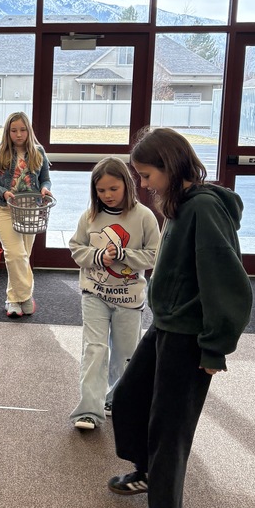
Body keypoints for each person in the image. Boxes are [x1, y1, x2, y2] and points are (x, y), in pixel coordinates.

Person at [108, 127, 252, 508]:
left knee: (170, 428)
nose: (143, 185)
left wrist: (214, 346)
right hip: (166, 326)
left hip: (191, 338)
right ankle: (148, 471)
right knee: (129, 399)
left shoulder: (204, 209)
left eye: (147, 175)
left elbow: (227, 283)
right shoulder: (181, 204)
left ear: (170, 167)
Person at [68, 156, 159, 431]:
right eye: (101, 190)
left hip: (129, 300)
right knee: (94, 350)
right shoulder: (90, 217)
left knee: (125, 355)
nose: (107, 195)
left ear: (128, 185)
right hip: (94, 294)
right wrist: (97, 256)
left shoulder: (143, 216)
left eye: (113, 189)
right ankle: (88, 411)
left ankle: (113, 399)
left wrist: (124, 255)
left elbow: (154, 256)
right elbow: (76, 249)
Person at [0, 112, 53, 317]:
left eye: (22, 130)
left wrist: (45, 189)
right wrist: (2, 191)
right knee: (15, 254)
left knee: (22, 257)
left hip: (30, 210)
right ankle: (27, 297)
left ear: (28, 131)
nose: (19, 134)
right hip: (4, 209)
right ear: (8, 132)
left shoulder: (39, 152)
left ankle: (13, 300)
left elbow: (46, 179)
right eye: (14, 130)